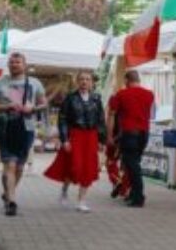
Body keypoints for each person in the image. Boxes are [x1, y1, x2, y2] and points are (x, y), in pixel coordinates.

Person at [0, 52, 47, 216]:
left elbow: (43, 104)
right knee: (9, 164)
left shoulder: (34, 83)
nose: (14, 64)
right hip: (5, 129)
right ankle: (12, 201)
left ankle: (7, 193)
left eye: (18, 62)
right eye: (11, 62)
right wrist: (6, 107)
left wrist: (33, 108)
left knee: (19, 167)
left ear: (25, 65)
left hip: (27, 129)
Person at [44, 71, 106, 212]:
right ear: (77, 82)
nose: (84, 82)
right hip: (75, 135)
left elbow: (101, 120)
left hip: (91, 136)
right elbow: (63, 119)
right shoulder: (70, 98)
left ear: (91, 83)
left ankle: (81, 201)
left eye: (87, 79)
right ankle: (64, 190)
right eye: (82, 79)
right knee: (74, 166)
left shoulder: (97, 99)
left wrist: (101, 140)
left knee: (88, 168)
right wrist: (65, 139)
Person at [108, 70, 154, 208]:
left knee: (133, 166)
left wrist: (110, 135)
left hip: (129, 134)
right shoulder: (150, 94)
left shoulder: (121, 94)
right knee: (134, 164)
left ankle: (138, 197)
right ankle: (134, 194)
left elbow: (111, 115)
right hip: (144, 134)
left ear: (127, 80)